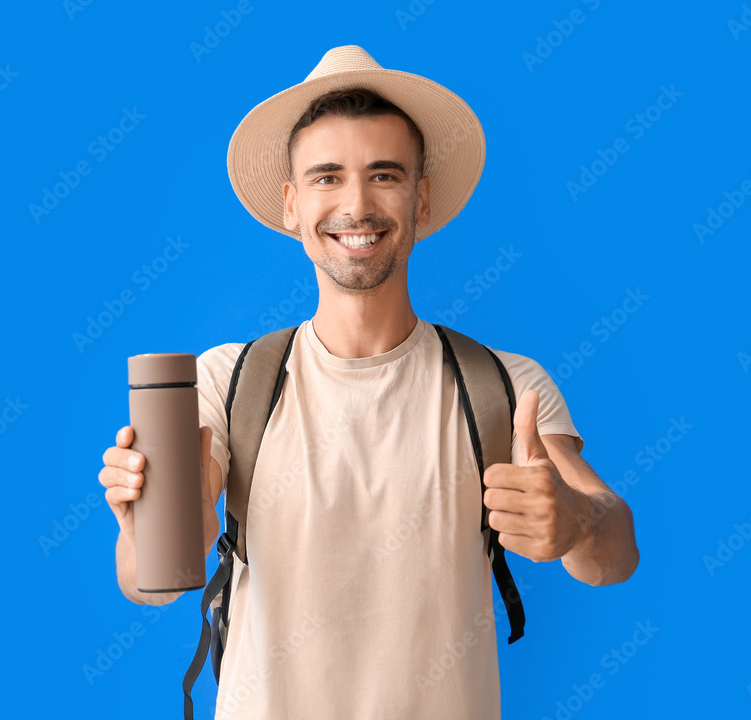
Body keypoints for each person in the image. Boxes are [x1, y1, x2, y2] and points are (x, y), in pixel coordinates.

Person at [99, 45, 639, 719]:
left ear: (421, 198)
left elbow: (613, 556)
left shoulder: (505, 384)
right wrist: (140, 523)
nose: (356, 204)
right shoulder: (228, 382)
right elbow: (151, 584)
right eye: (327, 178)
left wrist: (575, 519)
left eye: (384, 175)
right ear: (292, 206)